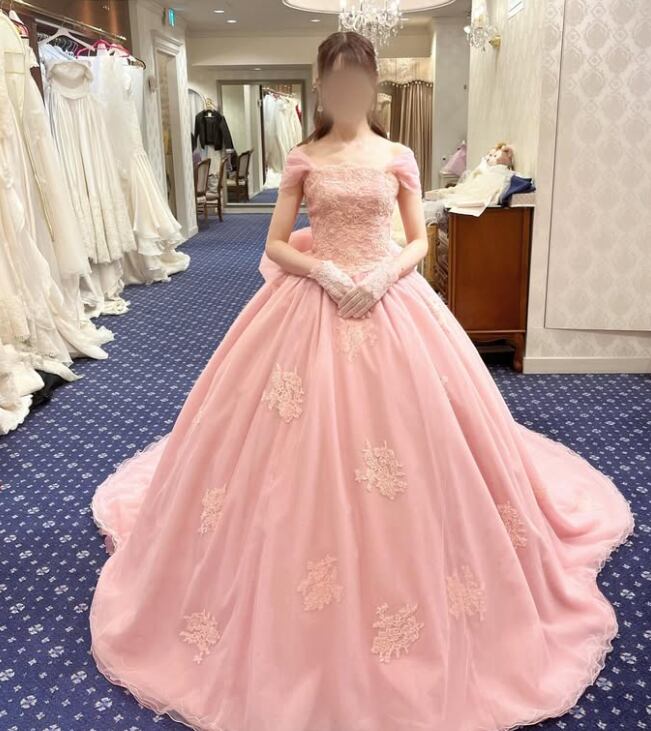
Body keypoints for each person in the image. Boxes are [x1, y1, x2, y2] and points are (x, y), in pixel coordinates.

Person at [88, 31, 635, 731]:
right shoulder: (303, 157)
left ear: (371, 87)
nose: (347, 91)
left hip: (389, 298)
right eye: (336, 80)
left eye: (358, 80)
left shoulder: (396, 155)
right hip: (312, 300)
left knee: (423, 441)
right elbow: (275, 242)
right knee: (286, 446)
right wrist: (323, 270)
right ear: (322, 87)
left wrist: (381, 276)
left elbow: (419, 239)